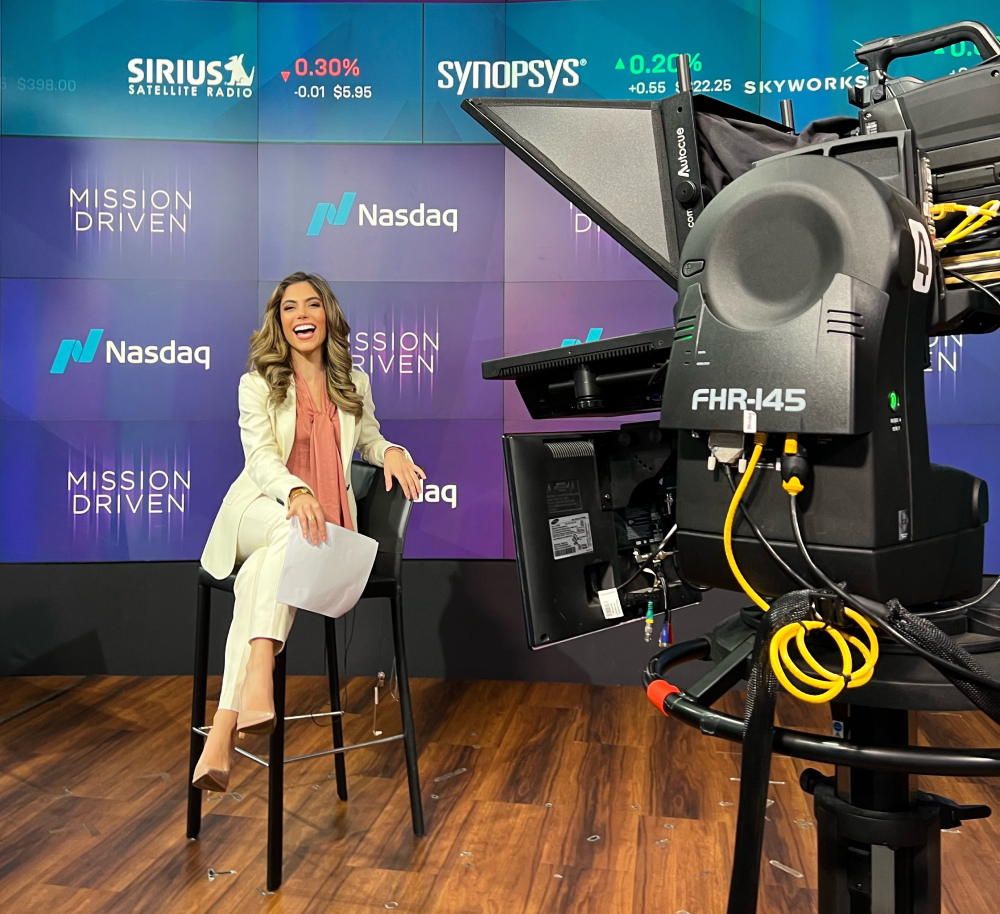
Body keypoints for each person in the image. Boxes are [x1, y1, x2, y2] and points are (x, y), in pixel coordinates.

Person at [192, 272, 425, 792]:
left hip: (318, 534)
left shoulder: (353, 383)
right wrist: (297, 493)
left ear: (327, 316)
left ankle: (222, 731)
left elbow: (368, 437)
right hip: (261, 511)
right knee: (287, 529)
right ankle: (259, 671)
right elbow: (260, 460)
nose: (301, 315)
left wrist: (390, 450)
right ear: (279, 322)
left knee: (263, 575)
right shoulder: (256, 384)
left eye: (312, 305)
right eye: (289, 307)